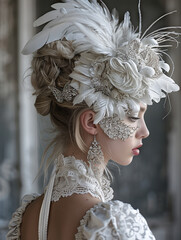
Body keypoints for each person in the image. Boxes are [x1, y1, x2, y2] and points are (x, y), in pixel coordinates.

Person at [7, 0, 180, 239]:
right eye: (132, 117)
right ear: (91, 122)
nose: (144, 131)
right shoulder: (115, 224)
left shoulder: (28, 216)